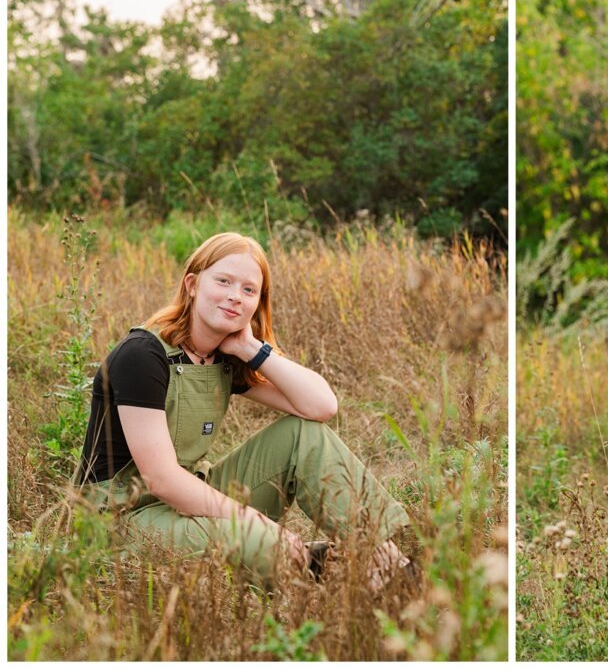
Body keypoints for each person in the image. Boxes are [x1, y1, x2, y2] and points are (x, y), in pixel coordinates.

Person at [75, 232, 411, 588]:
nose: (235, 296)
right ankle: (319, 566)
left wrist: (252, 348)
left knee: (304, 435)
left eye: (249, 290)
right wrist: (252, 519)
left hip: (189, 496)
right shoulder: (143, 355)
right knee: (257, 540)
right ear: (192, 284)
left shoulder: (224, 356)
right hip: (122, 518)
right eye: (223, 281)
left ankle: (386, 565)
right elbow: (161, 480)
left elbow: (321, 407)